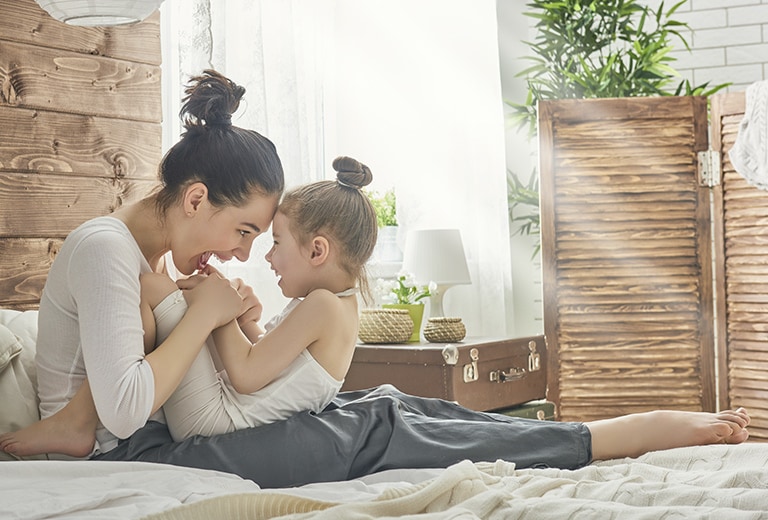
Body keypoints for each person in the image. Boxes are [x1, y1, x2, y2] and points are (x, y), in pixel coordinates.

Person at [0, 69, 752, 489]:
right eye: (243, 233)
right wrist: (204, 313)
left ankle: (590, 435)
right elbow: (126, 411)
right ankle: (594, 439)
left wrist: (209, 310)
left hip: (159, 432)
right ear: (195, 198)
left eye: (262, 240)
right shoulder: (108, 251)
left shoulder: (142, 260)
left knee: (382, 408)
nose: (240, 254)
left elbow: (168, 371)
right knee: (376, 424)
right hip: (137, 447)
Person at [3, 156, 378, 450]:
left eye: (274, 243)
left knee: (151, 288)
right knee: (156, 289)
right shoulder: (336, 307)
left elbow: (246, 376)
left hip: (214, 418)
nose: (262, 257)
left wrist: (220, 313)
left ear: (317, 250)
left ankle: (79, 419)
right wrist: (242, 321)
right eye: (244, 232)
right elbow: (271, 370)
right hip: (220, 413)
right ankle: (79, 418)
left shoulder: (323, 307)